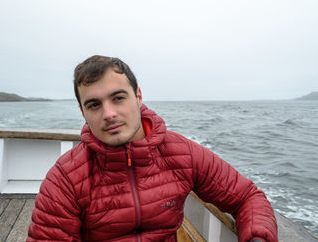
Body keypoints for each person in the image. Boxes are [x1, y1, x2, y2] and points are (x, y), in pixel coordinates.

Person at [27, 55, 278, 242]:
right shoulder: (66, 178)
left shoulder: (182, 154)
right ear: (83, 112)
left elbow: (246, 197)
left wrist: (257, 237)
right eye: (94, 105)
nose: (109, 114)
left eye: (118, 98)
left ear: (138, 96)